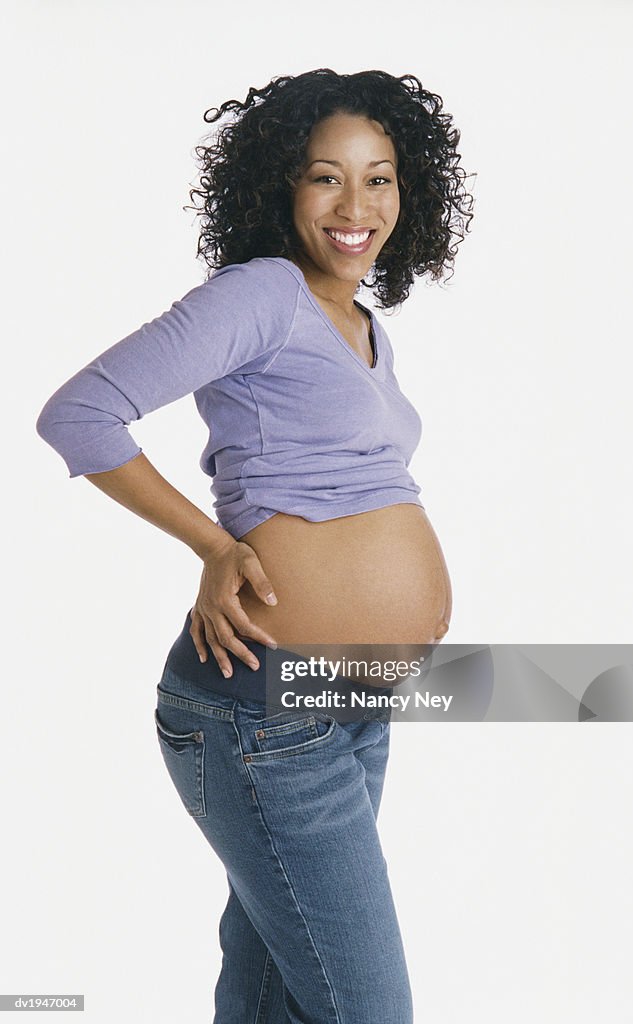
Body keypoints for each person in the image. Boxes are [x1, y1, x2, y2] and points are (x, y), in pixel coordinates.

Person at [36, 68, 474, 1024]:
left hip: (347, 708)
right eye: (326, 177)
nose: (356, 204)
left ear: (412, 190)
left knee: (277, 991)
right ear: (281, 187)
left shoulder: (362, 325)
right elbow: (80, 414)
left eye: (380, 177)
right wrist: (211, 546)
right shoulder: (264, 294)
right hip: (262, 716)